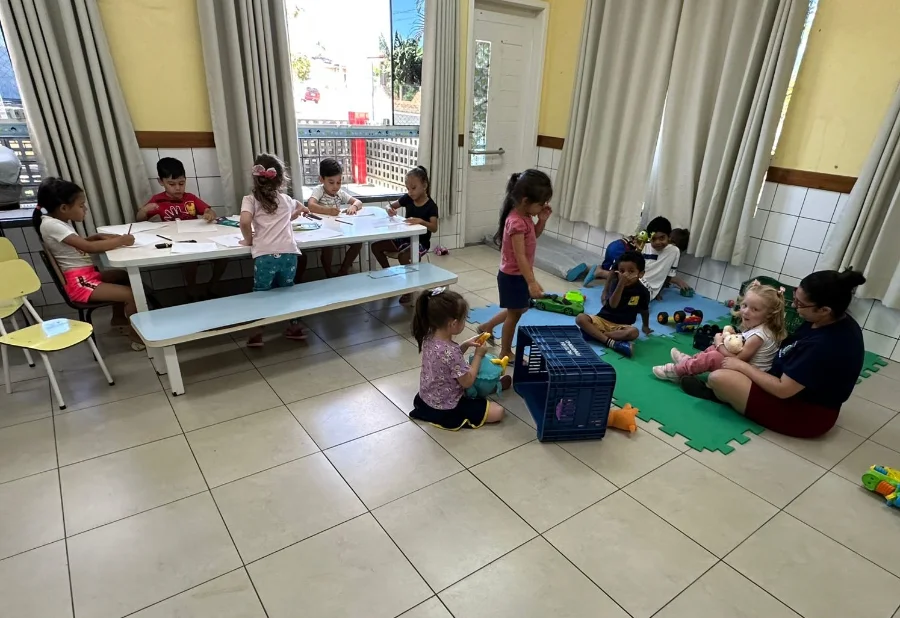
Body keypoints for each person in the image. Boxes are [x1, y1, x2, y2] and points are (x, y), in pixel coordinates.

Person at [681, 269, 866, 439]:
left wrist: (742, 366)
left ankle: (721, 395)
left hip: (806, 416)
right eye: (795, 297)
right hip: (782, 380)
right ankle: (728, 392)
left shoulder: (826, 344)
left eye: (800, 304)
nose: (794, 305)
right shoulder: (825, 320)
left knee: (719, 378)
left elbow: (783, 389)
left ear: (825, 310)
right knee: (726, 366)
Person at [32, 177, 144, 350]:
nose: (85, 209)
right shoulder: (53, 226)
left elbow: (76, 245)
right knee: (131, 295)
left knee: (121, 276)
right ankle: (137, 337)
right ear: (64, 208)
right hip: (80, 283)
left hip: (85, 276)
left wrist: (97, 237)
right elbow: (88, 248)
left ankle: (119, 319)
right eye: (81, 205)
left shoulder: (55, 222)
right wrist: (121, 240)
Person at [476, 170, 554, 359]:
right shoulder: (516, 222)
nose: (544, 206)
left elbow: (533, 236)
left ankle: (486, 326)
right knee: (514, 314)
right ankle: (505, 351)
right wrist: (532, 282)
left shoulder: (525, 216)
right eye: (541, 203)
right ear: (526, 201)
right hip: (512, 276)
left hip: (518, 275)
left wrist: (542, 220)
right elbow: (520, 256)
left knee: (519, 308)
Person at [238, 153, 308, 347]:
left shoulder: (250, 200)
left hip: (265, 256)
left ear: (256, 177)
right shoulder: (286, 199)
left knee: (262, 293)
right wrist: (294, 215)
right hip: (289, 254)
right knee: (287, 290)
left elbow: (244, 221)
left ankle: (257, 333)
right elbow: (300, 208)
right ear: (280, 180)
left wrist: (248, 239)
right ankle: (295, 328)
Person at [411, 287, 505, 429]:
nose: (464, 323)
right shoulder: (451, 352)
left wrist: (465, 345)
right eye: (463, 320)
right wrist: (479, 355)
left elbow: (445, 361)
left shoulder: (428, 337)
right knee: (498, 412)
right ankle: (494, 386)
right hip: (447, 407)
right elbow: (467, 381)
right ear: (453, 324)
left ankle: (495, 386)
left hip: (426, 399)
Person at [653, 280, 785, 380]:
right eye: (745, 305)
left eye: (754, 309)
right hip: (741, 369)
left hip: (746, 376)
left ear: (769, 315)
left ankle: (677, 372)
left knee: (714, 355)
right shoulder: (759, 327)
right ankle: (688, 363)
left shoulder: (759, 336)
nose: (745, 312)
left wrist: (719, 343)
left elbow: (738, 360)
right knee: (713, 350)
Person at [136, 157, 227, 299]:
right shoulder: (157, 200)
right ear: (161, 182)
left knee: (223, 257)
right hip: (176, 241)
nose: (178, 188)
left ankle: (213, 284)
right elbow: (139, 221)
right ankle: (191, 287)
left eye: (181, 183)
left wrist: (209, 214)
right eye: (171, 184)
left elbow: (210, 211)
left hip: (197, 238)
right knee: (190, 261)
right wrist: (144, 210)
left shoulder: (190, 198)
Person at [371, 165, 439, 303]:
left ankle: (409, 289)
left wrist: (421, 221)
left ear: (424, 185)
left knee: (404, 256)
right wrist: (389, 209)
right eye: (408, 188)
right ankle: (389, 276)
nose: (410, 192)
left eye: (413, 188)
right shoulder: (408, 198)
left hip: (420, 243)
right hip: (403, 239)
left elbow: (434, 227)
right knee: (375, 247)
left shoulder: (431, 206)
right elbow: (389, 205)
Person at [576, 250, 651, 358]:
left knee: (634, 332)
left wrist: (645, 326)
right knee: (580, 318)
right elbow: (613, 305)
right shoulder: (616, 282)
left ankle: (596, 335)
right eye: (622, 271)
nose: (625, 275)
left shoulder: (643, 291)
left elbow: (644, 310)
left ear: (640, 274)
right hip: (602, 320)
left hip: (621, 327)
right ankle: (611, 343)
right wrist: (621, 283)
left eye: (631, 271)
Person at [307, 158, 364, 278]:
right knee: (328, 247)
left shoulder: (340, 193)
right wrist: (328, 211)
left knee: (358, 243)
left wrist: (353, 207)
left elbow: (358, 202)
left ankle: (344, 270)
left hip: (338, 228)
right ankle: (328, 273)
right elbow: (311, 205)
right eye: (331, 182)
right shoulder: (319, 190)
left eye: (338, 182)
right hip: (322, 229)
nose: (335, 186)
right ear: (322, 179)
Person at [640, 216, 683, 300]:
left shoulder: (674, 251)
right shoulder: (644, 247)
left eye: (662, 238)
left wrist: (659, 292)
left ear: (669, 236)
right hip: (634, 282)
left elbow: (669, 276)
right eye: (654, 239)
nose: (657, 242)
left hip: (649, 290)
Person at [583, 232, 647, 287]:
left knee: (607, 267)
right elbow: (636, 257)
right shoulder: (646, 243)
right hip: (621, 249)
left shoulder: (643, 234)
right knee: (622, 276)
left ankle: (593, 268)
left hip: (616, 244)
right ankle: (600, 272)